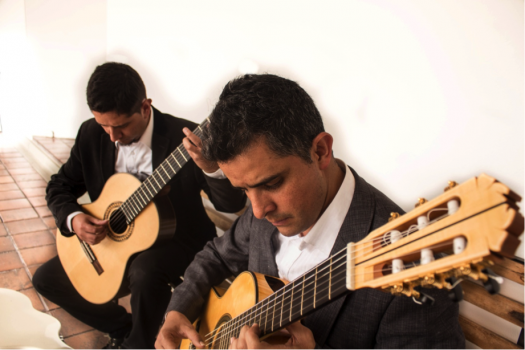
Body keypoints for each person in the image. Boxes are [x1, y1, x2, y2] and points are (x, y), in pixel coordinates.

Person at [155, 74, 465, 349]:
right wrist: (176, 312)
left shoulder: (415, 267)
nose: (259, 211)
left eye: (273, 183)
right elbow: (216, 255)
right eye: (244, 190)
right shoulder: (265, 206)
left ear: (320, 151)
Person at [32, 62, 246, 350]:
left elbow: (231, 204)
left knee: (144, 271)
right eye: (103, 124)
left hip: (178, 241)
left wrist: (211, 168)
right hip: (113, 245)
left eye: (119, 126)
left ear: (145, 107)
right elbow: (60, 186)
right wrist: (73, 219)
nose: (111, 136)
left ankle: (138, 345)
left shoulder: (187, 138)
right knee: (46, 279)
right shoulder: (90, 134)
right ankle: (124, 328)